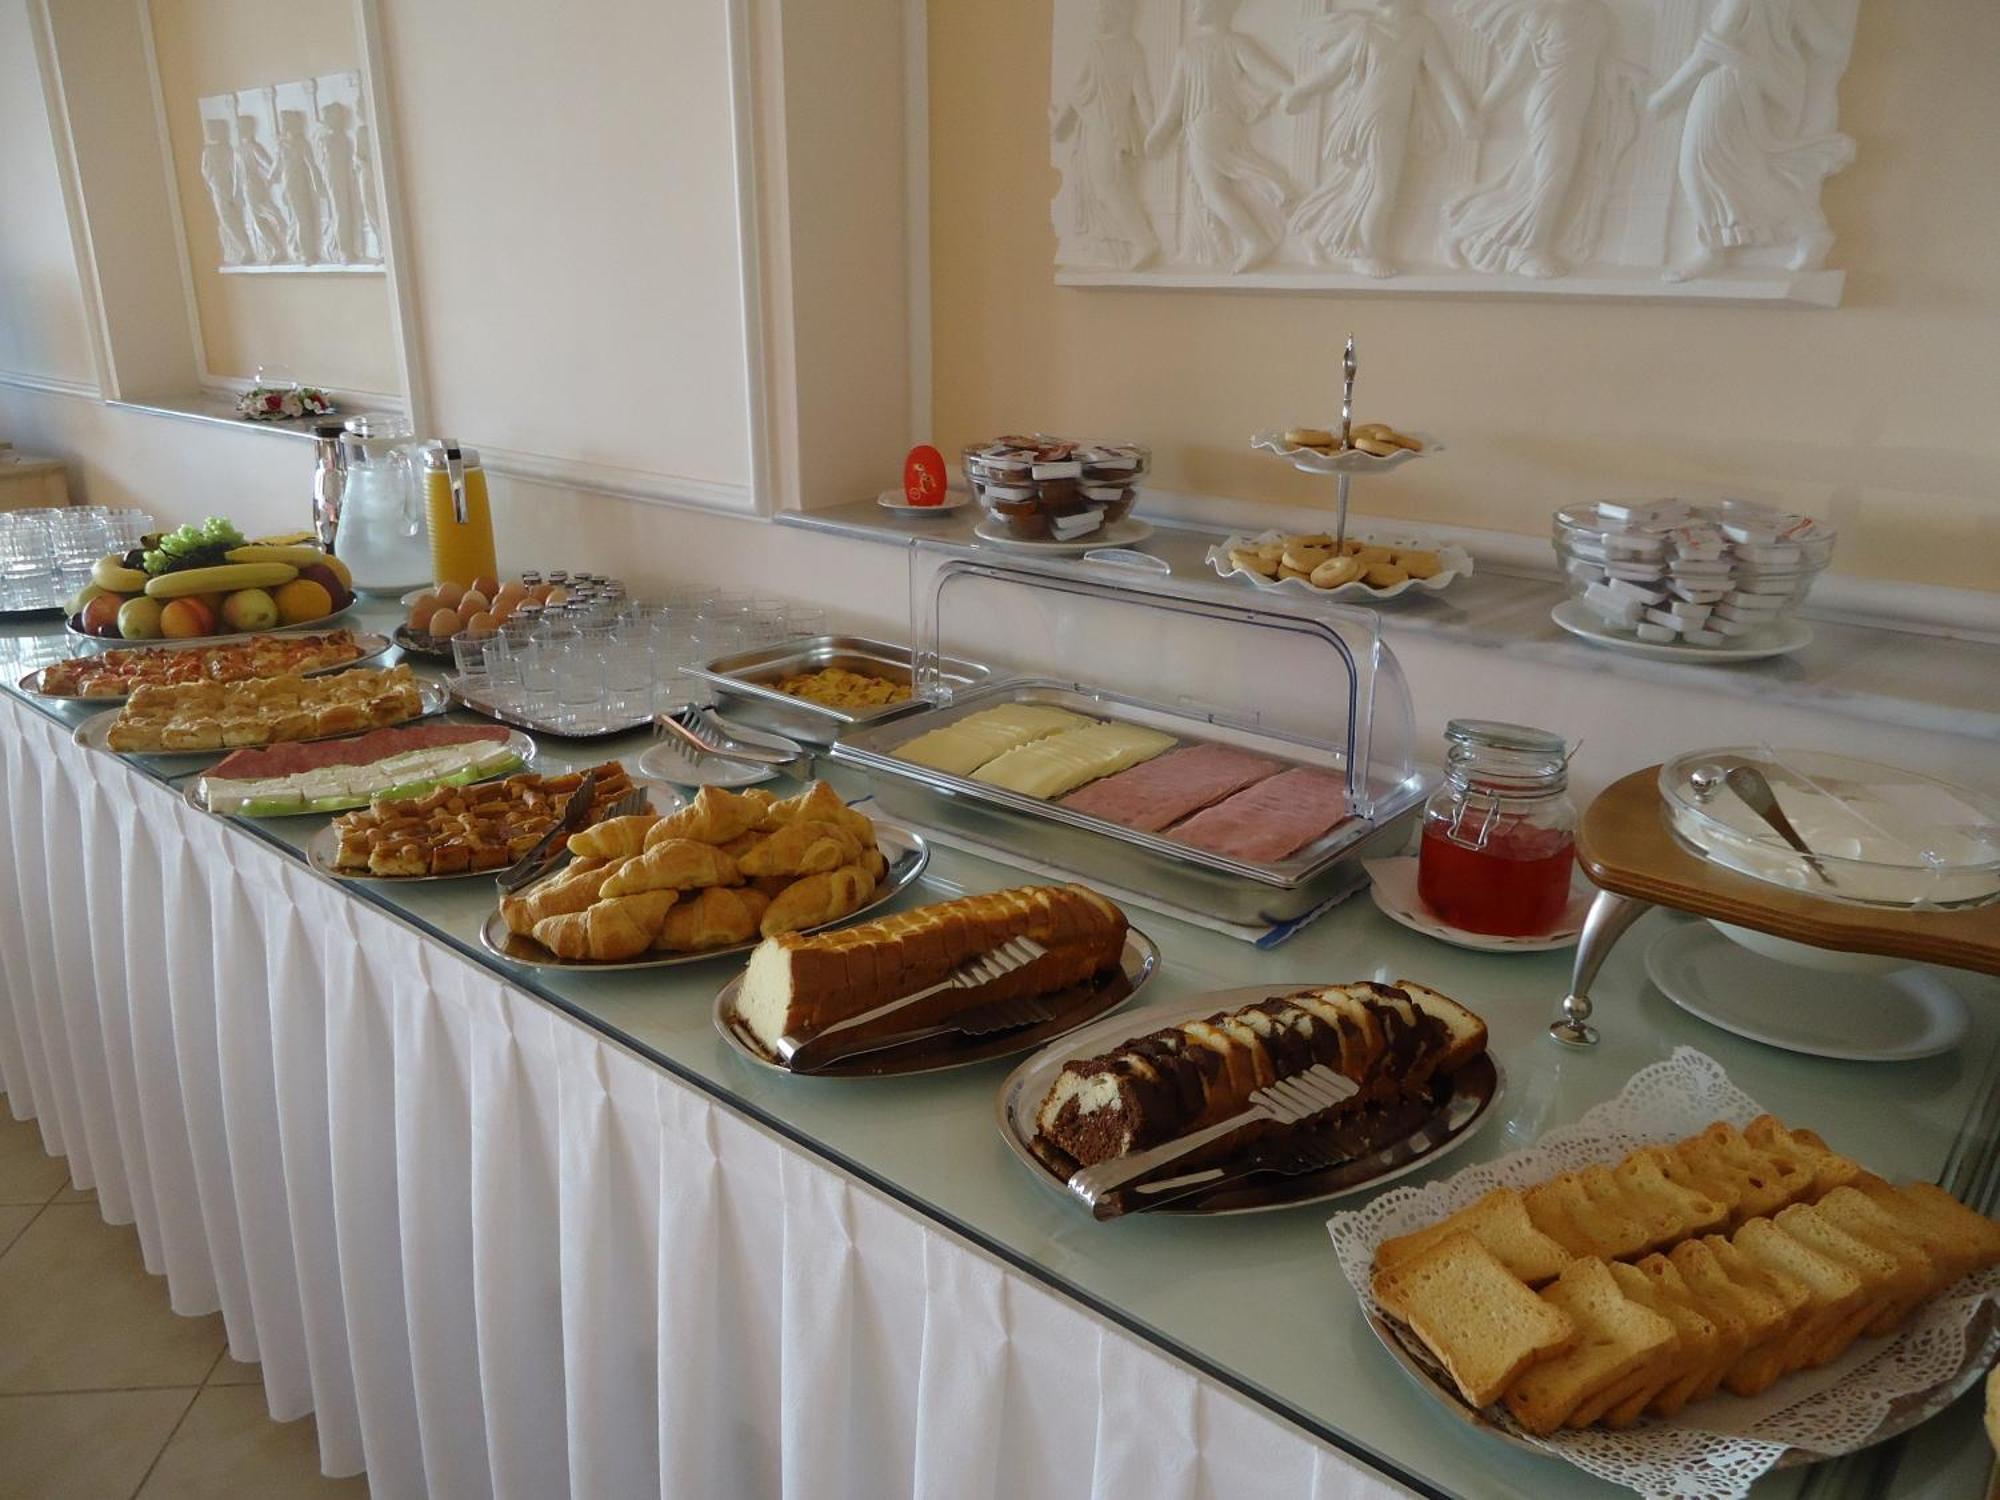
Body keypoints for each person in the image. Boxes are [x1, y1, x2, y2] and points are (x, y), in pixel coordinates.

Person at [1648, 0, 1854, 279]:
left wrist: (1663, 98)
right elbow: (1832, 47)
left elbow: (1706, 55)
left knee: (1705, 167)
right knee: (1726, 169)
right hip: (1750, 84)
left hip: (1729, 84)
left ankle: (1807, 231)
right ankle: (1722, 247)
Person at [1444, 0, 1638, 279]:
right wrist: (1480, 112)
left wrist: (1628, 73)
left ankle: (1461, 230)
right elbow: (1514, 72)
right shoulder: (1543, 14)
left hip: (1581, 107)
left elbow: (1594, 59)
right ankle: (1528, 250)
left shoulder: (1595, 12)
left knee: (1524, 184)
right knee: (1552, 179)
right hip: (1552, 104)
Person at [1284, 0, 1473, 277]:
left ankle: (1327, 235)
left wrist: (1465, 115)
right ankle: (1367, 253)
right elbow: (1331, 71)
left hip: (1395, 118)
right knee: (1382, 187)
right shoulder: (1367, 29)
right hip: (1370, 116)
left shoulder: (1422, 29)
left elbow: (1444, 74)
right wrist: (1299, 91)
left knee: (1366, 186)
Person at [1146, 0, 1290, 272]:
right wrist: (1289, 88)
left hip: (1205, 123)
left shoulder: (1194, 50)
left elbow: (1174, 105)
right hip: (1223, 122)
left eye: (1200, 3)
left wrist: (1157, 136)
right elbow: (1271, 76)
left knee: (1212, 192)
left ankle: (1255, 240)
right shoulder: (1231, 44)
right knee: (1223, 181)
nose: (1195, 7)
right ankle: (1271, 202)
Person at [1053, 0, 1158, 270]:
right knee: (1112, 186)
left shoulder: (1096, 50)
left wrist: (1057, 125)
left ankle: (1143, 240)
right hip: (1121, 129)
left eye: (1102, 12)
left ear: (1115, 14)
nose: (1097, 17)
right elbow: (1144, 100)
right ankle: (1121, 244)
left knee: (1106, 187)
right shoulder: (1133, 49)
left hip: (1101, 127)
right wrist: (1154, 132)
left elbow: (1074, 96)